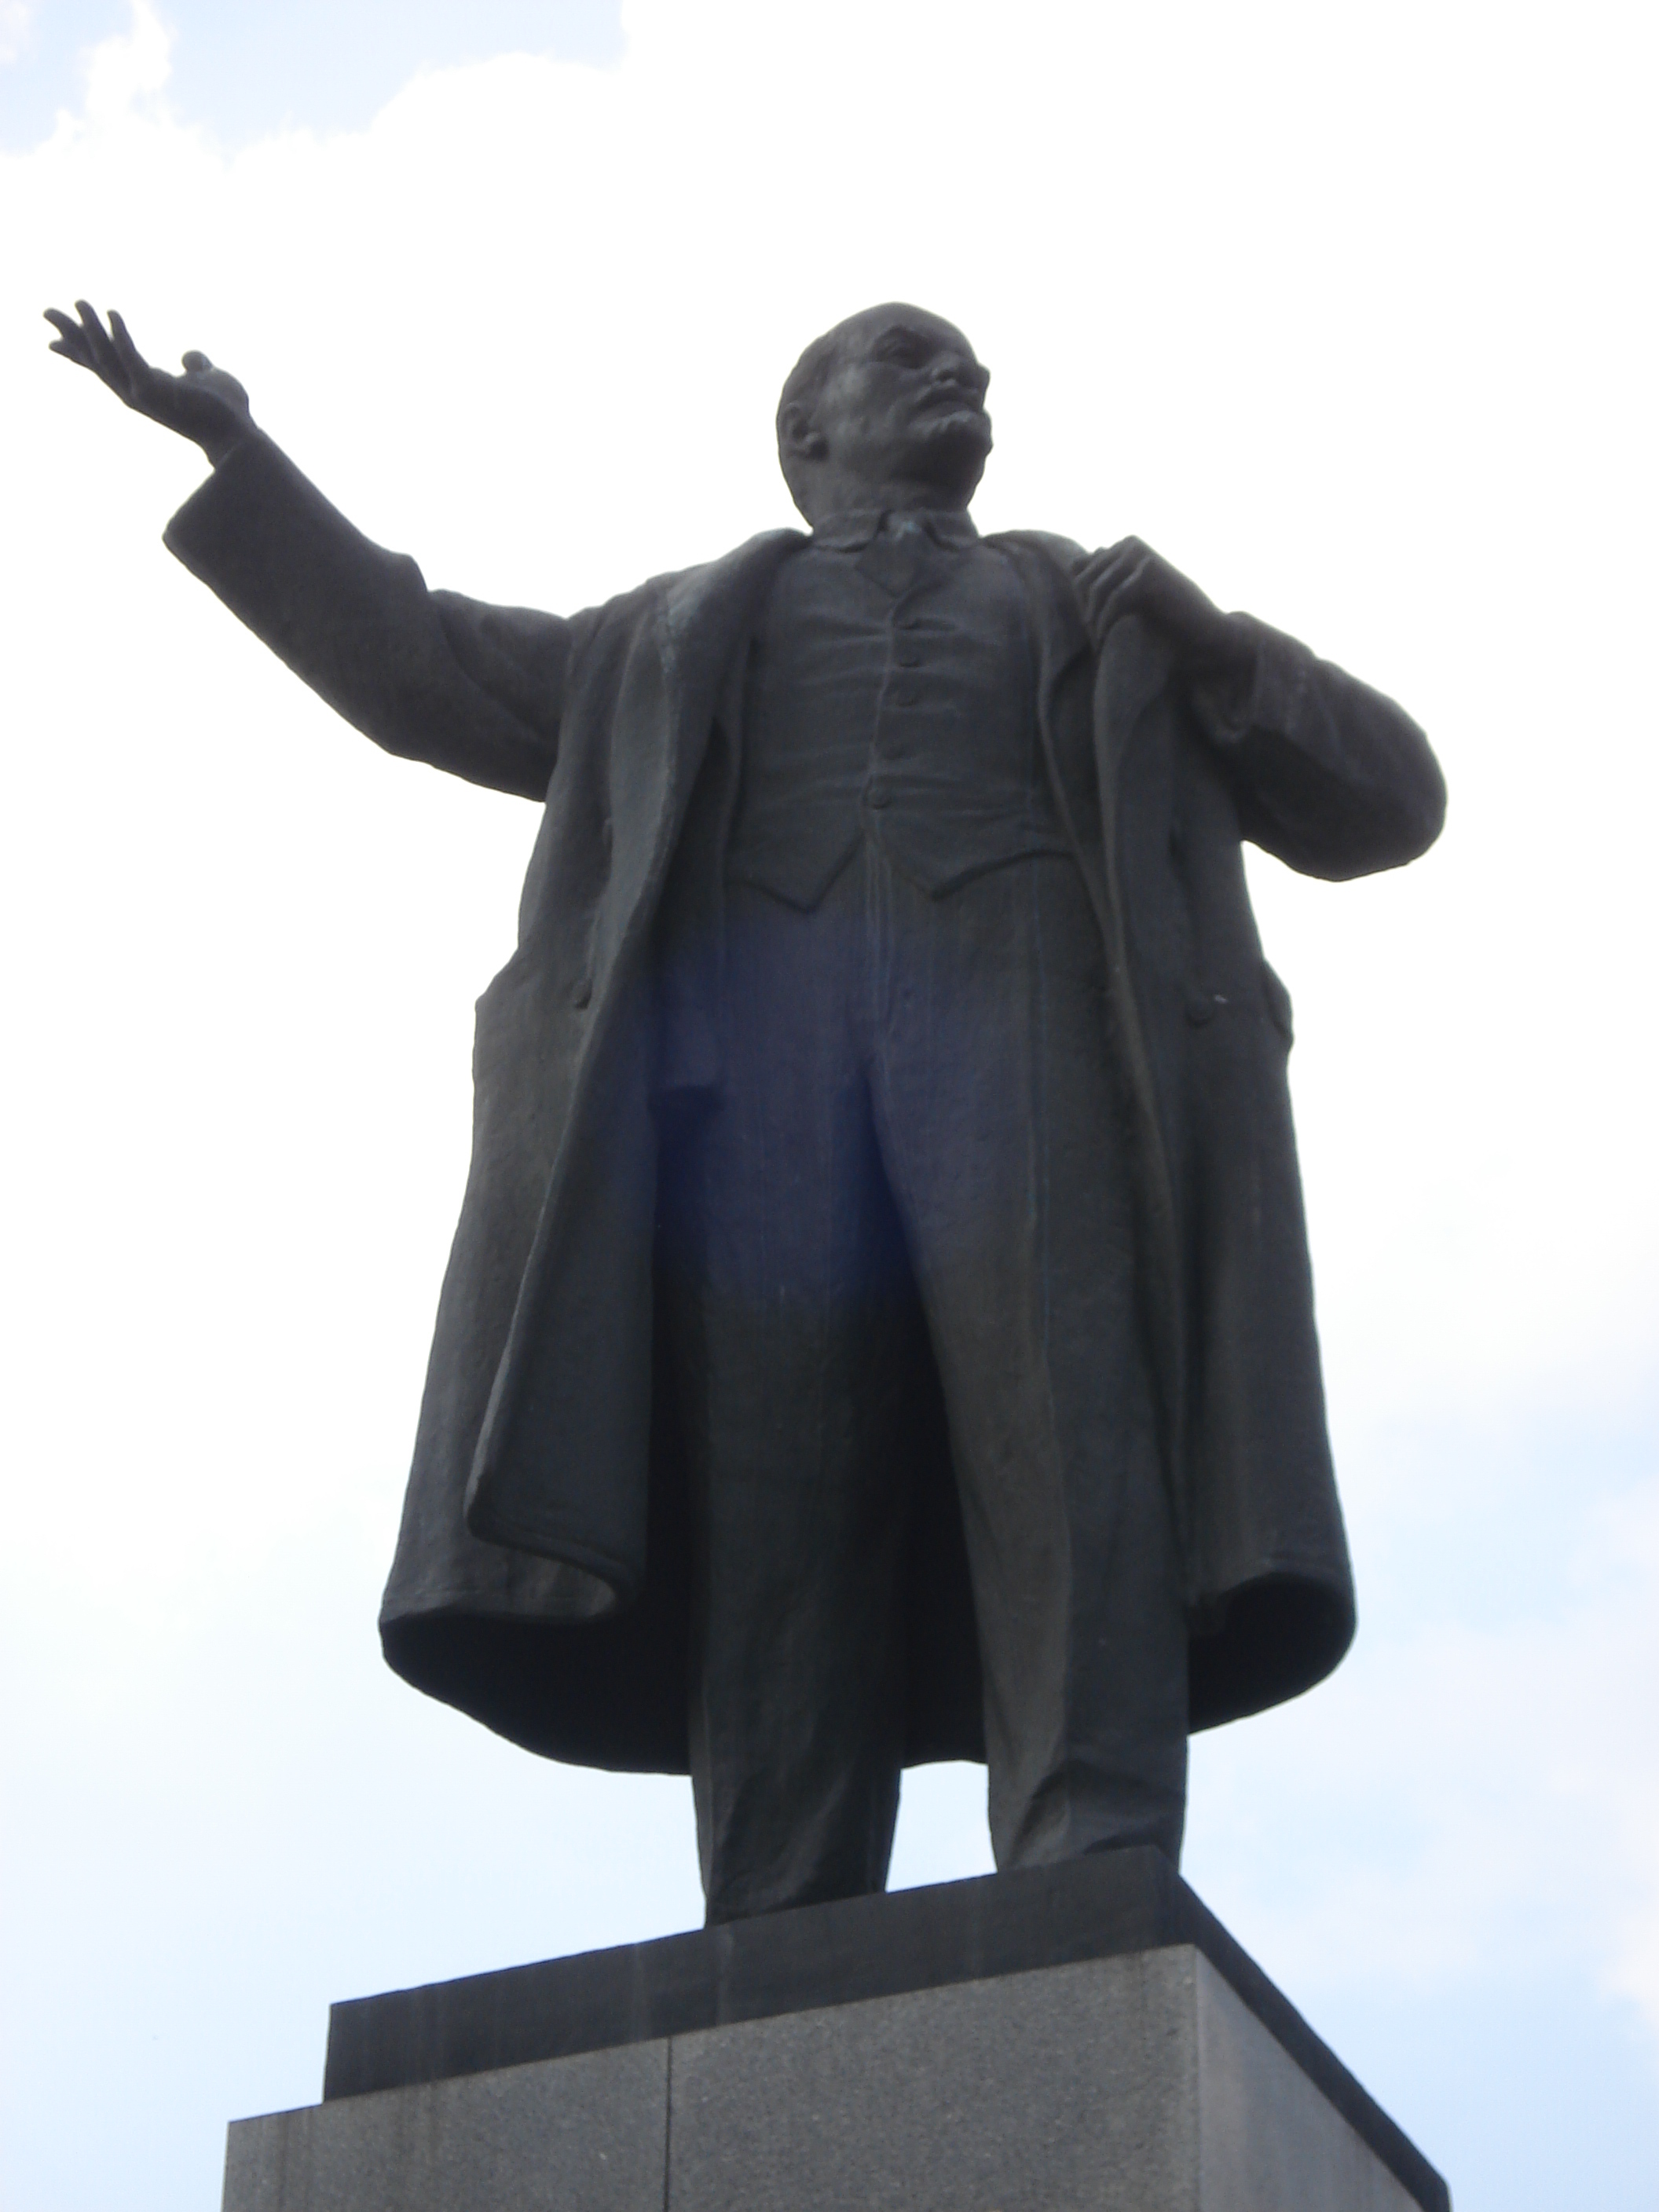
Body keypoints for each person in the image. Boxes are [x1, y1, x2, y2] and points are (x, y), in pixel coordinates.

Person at [46, 298, 1445, 1923]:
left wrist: (1219, 644)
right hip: (754, 1090)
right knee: (777, 1485)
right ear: (806, 430)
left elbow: (1390, 803)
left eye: (974, 366)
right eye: (910, 355)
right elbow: (425, 666)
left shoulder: (1106, 608)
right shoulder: (662, 637)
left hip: (1038, 1038)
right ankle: (780, 1907)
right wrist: (240, 458)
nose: (961, 376)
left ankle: (1091, 1863)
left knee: (1076, 1445)